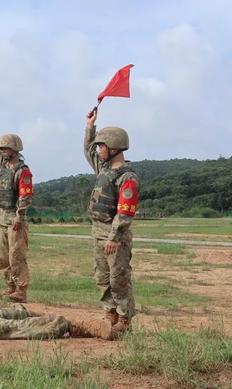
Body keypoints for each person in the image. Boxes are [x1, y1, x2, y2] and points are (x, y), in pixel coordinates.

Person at [83, 107, 139, 335]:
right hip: (98, 231)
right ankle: (110, 313)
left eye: (102, 146)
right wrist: (90, 126)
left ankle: (124, 320)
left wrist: (114, 237)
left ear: (114, 148)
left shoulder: (127, 177)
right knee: (102, 276)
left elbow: (125, 211)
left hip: (115, 235)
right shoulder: (103, 168)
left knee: (119, 278)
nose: (98, 150)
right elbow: (88, 151)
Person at [0, 118, 33, 303]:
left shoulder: (22, 171)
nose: (1, 151)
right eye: (0, 149)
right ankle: (9, 287)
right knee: (3, 256)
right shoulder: (4, 166)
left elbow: (25, 197)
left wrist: (20, 216)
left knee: (16, 255)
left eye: (5, 149)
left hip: (14, 219)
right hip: (1, 218)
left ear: (15, 150)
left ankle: (21, 290)